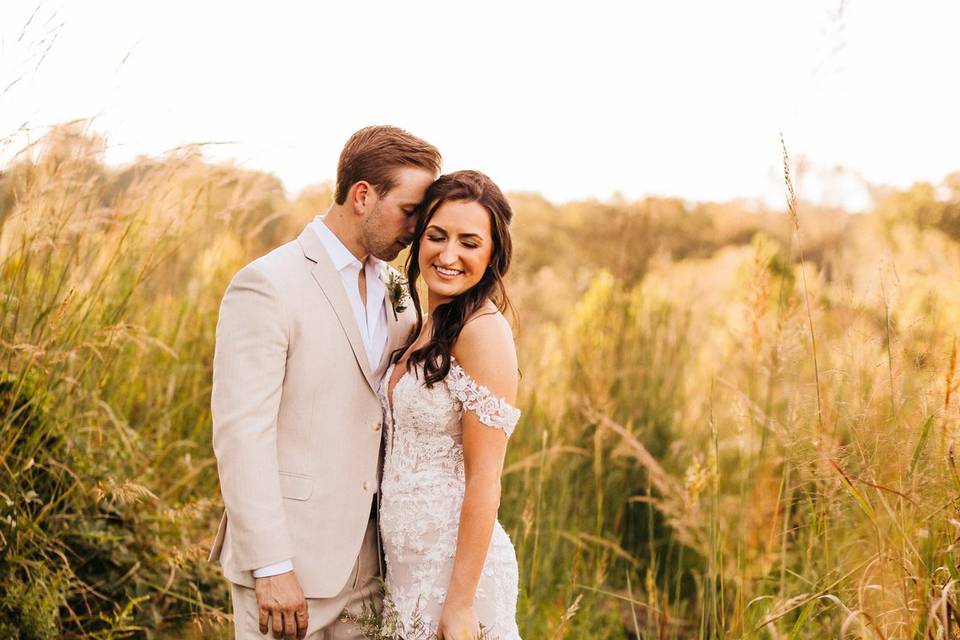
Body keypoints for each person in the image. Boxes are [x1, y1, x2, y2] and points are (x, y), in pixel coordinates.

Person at [209, 125, 441, 640]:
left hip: (372, 563)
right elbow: (240, 435)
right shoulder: (268, 284)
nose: (417, 229)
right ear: (363, 195)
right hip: (291, 565)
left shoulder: (398, 287)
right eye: (409, 211)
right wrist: (271, 566)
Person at [379, 170, 522, 639]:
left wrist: (460, 605)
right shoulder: (423, 321)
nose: (448, 255)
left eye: (469, 242)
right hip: (409, 571)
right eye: (437, 236)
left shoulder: (483, 332)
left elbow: (484, 478)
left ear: (493, 254)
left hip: (455, 576)